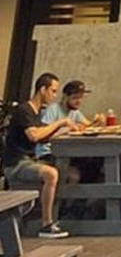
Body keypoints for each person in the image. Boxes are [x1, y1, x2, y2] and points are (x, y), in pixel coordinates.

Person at [2, 72, 73, 238]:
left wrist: (66, 130)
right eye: (53, 91)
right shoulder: (24, 110)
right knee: (51, 173)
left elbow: (44, 136)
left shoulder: (35, 113)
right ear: (43, 89)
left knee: (66, 172)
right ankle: (46, 224)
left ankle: (57, 215)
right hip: (16, 163)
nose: (54, 96)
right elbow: (34, 135)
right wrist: (60, 122)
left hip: (28, 160)